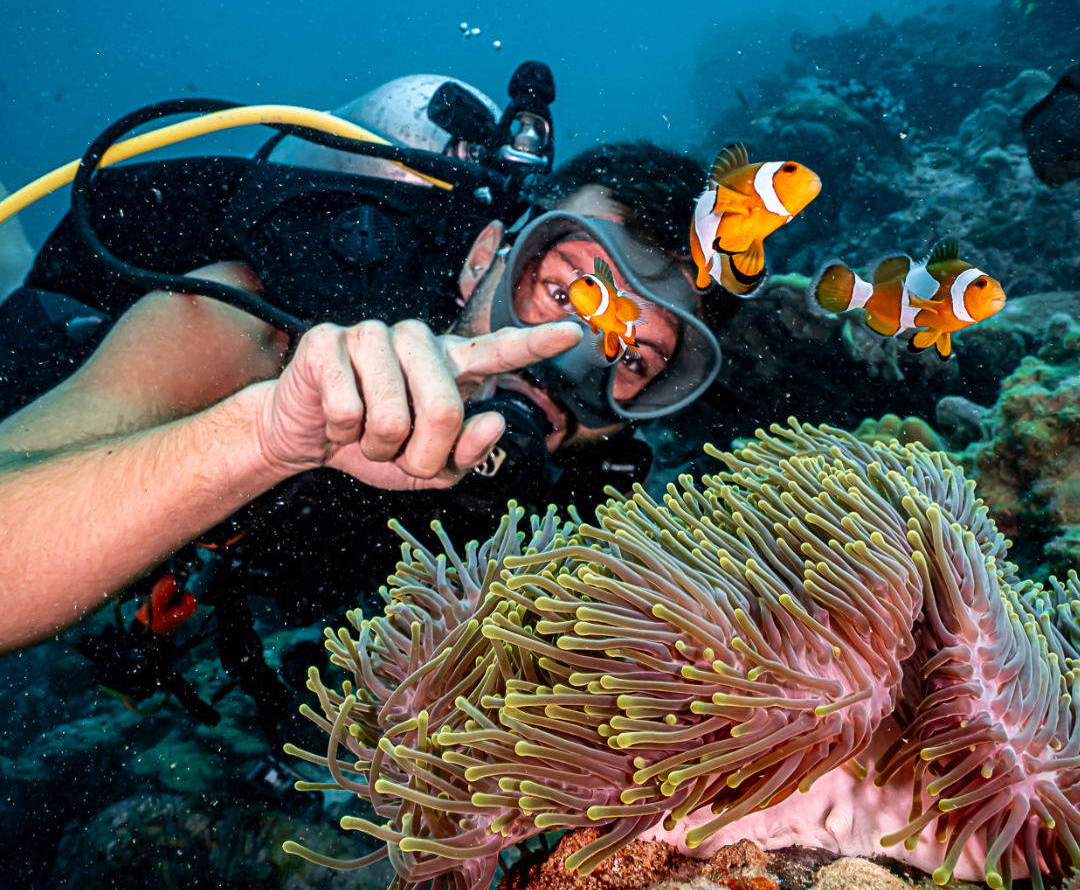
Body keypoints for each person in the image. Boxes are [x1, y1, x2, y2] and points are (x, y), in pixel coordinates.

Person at [0, 63, 721, 737]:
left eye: (632, 354)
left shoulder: (591, 493)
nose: (566, 360)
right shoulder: (261, 324)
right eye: (563, 293)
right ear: (485, 260)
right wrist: (267, 435)